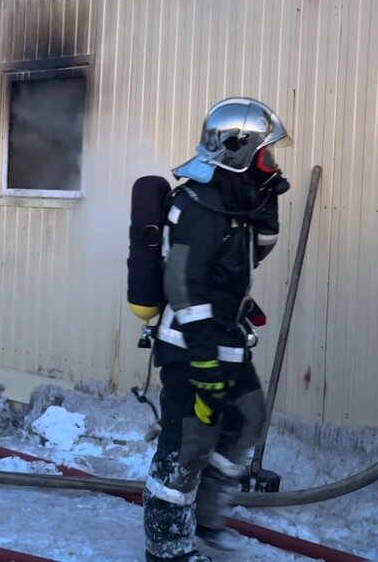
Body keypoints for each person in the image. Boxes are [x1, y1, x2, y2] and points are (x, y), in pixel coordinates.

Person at [143, 97, 292, 562]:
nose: (272, 163)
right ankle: (165, 548)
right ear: (238, 150)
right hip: (189, 345)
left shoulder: (238, 200)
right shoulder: (198, 205)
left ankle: (204, 521)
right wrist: (204, 359)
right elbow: (183, 287)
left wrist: (266, 199)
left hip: (226, 336)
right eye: (266, 154)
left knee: (248, 416)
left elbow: (255, 253)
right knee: (187, 446)